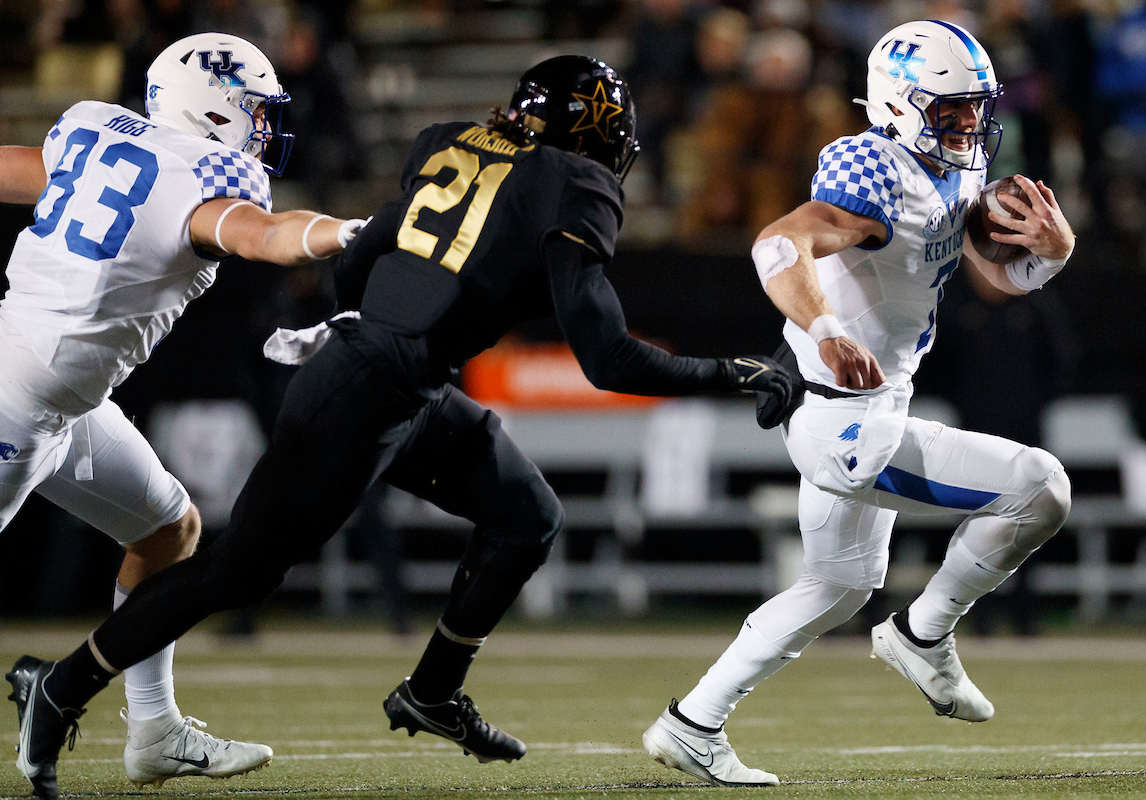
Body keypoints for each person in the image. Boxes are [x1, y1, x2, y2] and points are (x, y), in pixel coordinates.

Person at [7, 54, 796, 791]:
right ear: (593, 134)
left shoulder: (449, 140)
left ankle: (433, 691)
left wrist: (360, 318)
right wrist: (732, 372)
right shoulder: (575, 183)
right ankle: (62, 685)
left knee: (526, 517)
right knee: (237, 571)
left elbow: (372, 242)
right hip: (366, 389)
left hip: (397, 380)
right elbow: (608, 360)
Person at [642, 20, 1075, 786]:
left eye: (976, 105)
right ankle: (924, 632)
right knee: (1041, 487)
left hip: (866, 407)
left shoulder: (953, 167)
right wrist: (827, 328)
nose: (969, 122)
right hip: (842, 418)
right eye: (951, 107)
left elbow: (993, 275)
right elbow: (778, 245)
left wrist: (1053, 254)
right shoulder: (875, 168)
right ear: (900, 104)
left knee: (837, 586)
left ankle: (693, 722)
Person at [0, 31, 364, 798]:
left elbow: (19, 167)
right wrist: (349, 231)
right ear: (214, 108)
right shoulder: (207, 175)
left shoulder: (97, 131)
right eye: (254, 109)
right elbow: (264, 235)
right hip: (17, 397)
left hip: (57, 396)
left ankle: (155, 730)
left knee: (168, 529)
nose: (265, 127)